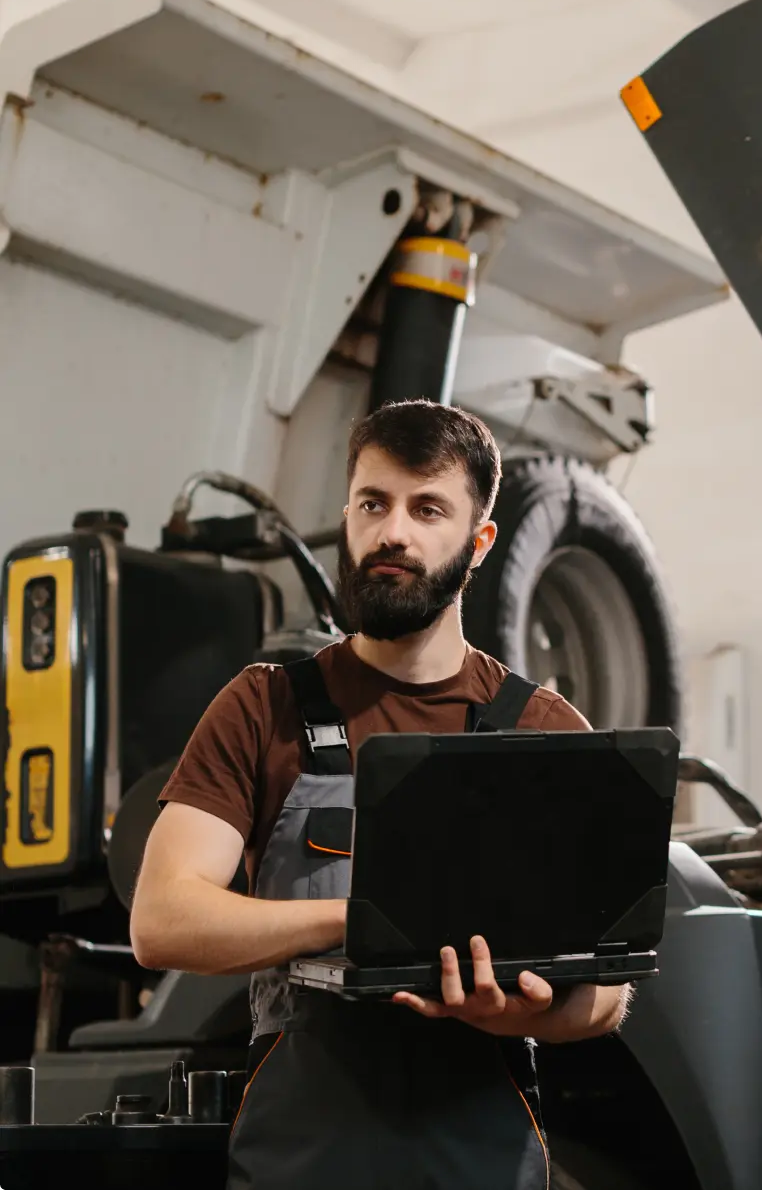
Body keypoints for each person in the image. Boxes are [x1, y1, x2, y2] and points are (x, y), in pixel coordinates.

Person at [130, 400, 630, 1190]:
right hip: (303, 1159)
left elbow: (604, 993)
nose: (392, 531)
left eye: (427, 508)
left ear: (478, 542)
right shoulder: (268, 707)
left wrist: (514, 1011)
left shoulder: (544, 728)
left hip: (481, 1158)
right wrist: (361, 923)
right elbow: (162, 921)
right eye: (373, 503)